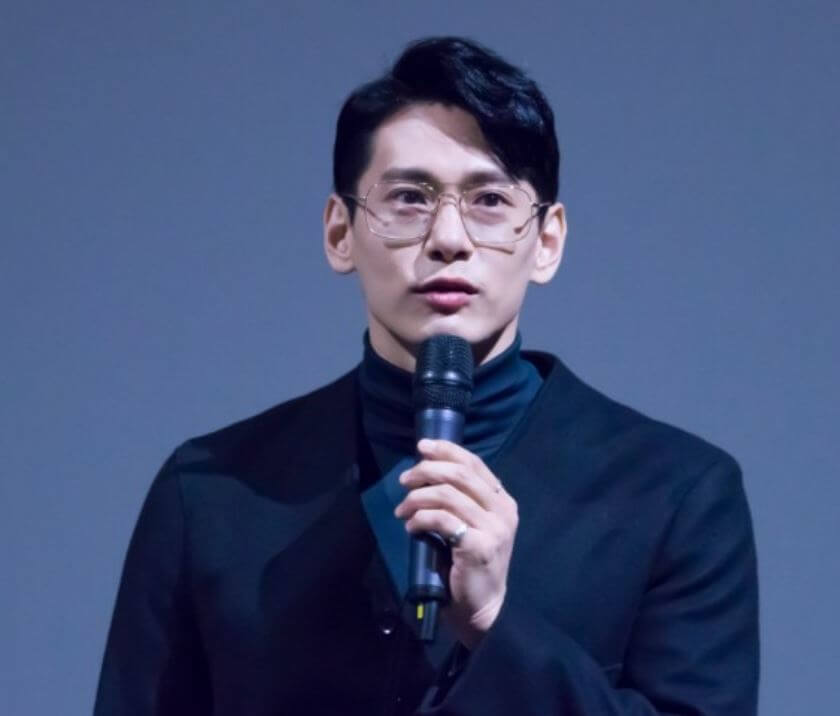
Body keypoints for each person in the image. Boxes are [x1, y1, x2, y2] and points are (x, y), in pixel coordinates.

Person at [94, 36, 759, 715]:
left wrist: (497, 624)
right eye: (409, 198)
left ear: (547, 241)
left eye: (489, 200)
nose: (448, 238)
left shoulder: (676, 492)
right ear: (340, 233)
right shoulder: (210, 492)